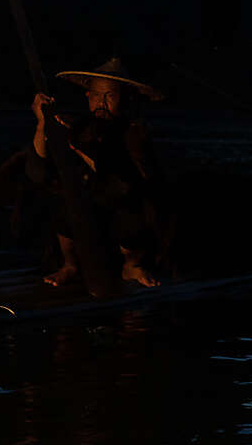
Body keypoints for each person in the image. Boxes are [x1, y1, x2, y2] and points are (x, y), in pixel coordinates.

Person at [26, 57, 170, 289]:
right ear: (87, 96)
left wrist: (83, 153)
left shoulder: (134, 132)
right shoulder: (79, 127)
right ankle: (70, 264)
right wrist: (43, 124)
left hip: (127, 225)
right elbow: (37, 171)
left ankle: (132, 265)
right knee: (60, 196)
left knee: (129, 202)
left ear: (124, 99)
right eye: (96, 95)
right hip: (87, 225)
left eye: (109, 96)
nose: (101, 103)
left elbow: (129, 182)